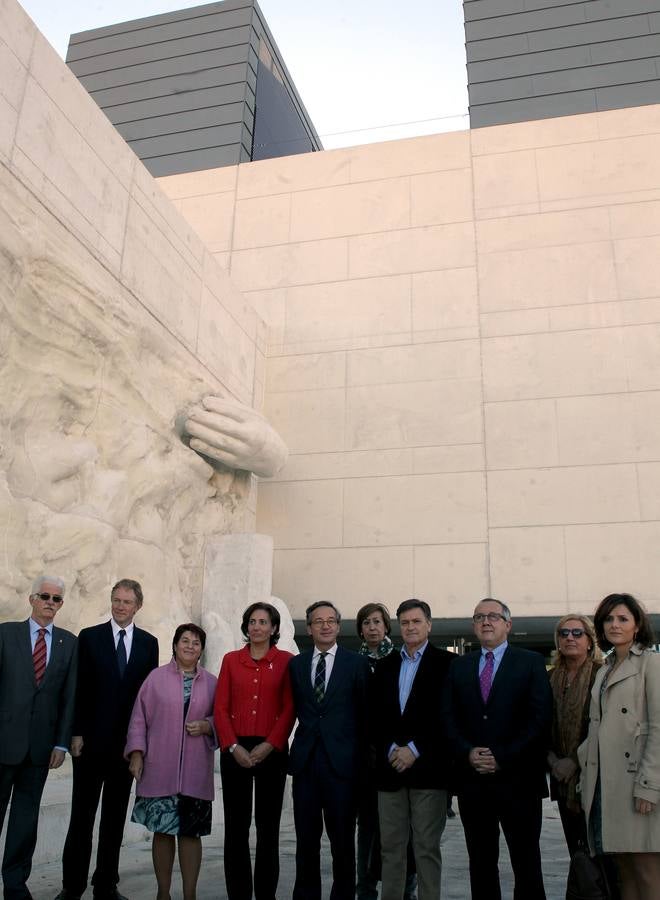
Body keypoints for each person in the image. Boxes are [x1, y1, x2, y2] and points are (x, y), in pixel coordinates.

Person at [56, 579, 159, 900]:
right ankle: (71, 887)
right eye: (116, 599)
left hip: (125, 749)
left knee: (113, 821)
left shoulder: (148, 643)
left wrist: (140, 747)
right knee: (81, 819)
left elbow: (146, 700)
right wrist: (75, 732)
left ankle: (106, 886)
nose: (120, 606)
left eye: (127, 601)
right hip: (87, 745)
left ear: (137, 606)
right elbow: (78, 688)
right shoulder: (89, 637)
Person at [443, 597, 552, 900]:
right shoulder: (458, 667)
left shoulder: (530, 662)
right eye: (479, 617)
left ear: (508, 624)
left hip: (519, 781)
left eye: (493, 616)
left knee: (527, 862)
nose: (486, 622)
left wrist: (501, 757)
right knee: (480, 863)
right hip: (473, 783)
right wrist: (467, 752)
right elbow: (448, 718)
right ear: (473, 626)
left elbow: (539, 719)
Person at [578, 593, 660, 900]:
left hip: (638, 784)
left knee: (647, 870)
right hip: (607, 786)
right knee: (623, 871)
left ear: (637, 625)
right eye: (608, 619)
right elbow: (596, 729)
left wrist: (649, 786)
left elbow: (658, 728)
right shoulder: (605, 668)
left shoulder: (652, 663)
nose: (615, 625)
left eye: (623, 619)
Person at [371, 599, 454, 900]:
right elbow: (375, 716)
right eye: (404, 622)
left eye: (416, 621)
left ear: (429, 625)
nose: (410, 627)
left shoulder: (447, 664)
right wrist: (393, 748)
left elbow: (447, 717)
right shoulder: (384, 666)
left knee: (426, 849)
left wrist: (415, 750)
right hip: (390, 769)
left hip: (429, 773)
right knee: (391, 849)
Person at [126, 623, 217, 900]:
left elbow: (224, 719)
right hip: (159, 768)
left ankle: (190, 894)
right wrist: (137, 753)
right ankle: (162, 893)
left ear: (201, 649)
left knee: (191, 835)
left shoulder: (212, 682)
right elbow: (139, 718)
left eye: (196, 642)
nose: (190, 646)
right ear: (175, 645)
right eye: (185, 641)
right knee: (162, 832)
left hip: (195, 771)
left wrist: (207, 725)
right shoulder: (155, 679)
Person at [0, 576, 77, 900]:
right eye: (45, 596)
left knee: (24, 822)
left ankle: (16, 886)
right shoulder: (6, 634)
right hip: (3, 743)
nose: (50, 602)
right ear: (32, 599)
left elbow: (68, 698)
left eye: (56, 599)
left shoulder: (68, 643)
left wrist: (61, 742)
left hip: (40, 750)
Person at [213, 602, 295, 900]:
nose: (257, 627)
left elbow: (290, 708)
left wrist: (269, 745)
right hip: (235, 748)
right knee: (236, 828)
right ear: (246, 627)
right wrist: (232, 746)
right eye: (252, 622)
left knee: (268, 829)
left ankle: (265, 895)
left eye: (263, 622)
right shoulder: (231, 660)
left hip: (272, 750)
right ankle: (238, 894)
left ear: (274, 628)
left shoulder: (286, 661)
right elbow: (220, 707)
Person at [288, 601, 369, 900]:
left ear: (338, 626)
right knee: (306, 842)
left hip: (342, 767)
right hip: (306, 764)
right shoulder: (296, 665)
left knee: (343, 842)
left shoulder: (356, 664)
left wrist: (360, 765)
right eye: (318, 621)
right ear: (308, 628)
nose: (325, 625)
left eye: (331, 620)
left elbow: (364, 718)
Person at [547, 614, 602, 855]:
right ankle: (583, 893)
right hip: (560, 777)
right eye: (564, 633)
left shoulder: (602, 675)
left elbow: (607, 727)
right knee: (576, 851)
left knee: (598, 850)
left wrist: (574, 760)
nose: (570, 637)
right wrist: (553, 761)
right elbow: (540, 723)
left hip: (595, 775)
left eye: (577, 633)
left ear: (590, 641)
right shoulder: (549, 677)